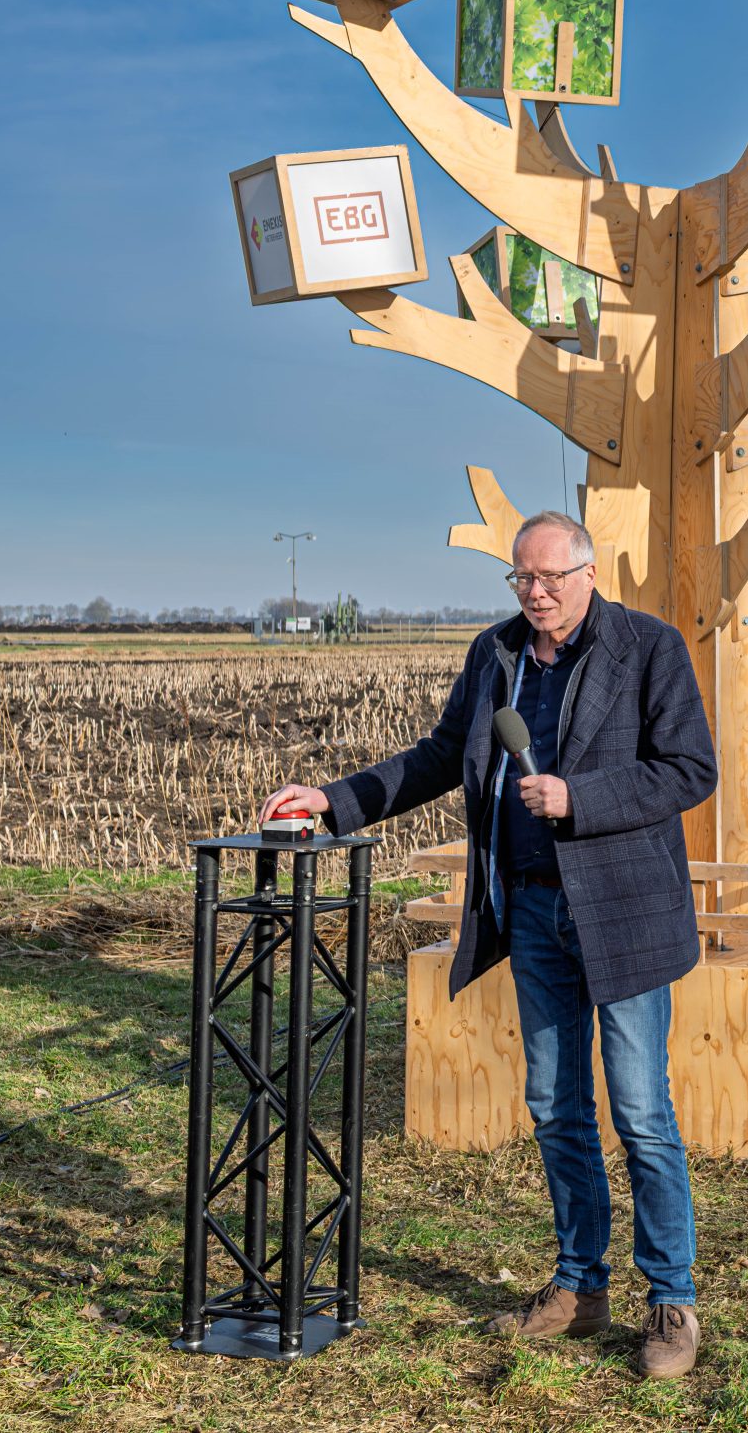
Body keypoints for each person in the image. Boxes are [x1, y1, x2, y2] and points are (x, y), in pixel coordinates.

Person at [259, 510, 716, 1378]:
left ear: (588, 573)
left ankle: (672, 1299)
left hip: (621, 919)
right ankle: (581, 1286)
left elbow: (689, 768)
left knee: (642, 1113)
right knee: (555, 1106)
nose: (534, 593)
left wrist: (579, 797)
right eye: (521, 579)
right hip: (534, 913)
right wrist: (332, 797)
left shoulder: (649, 648)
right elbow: (440, 757)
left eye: (548, 578)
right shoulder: (495, 655)